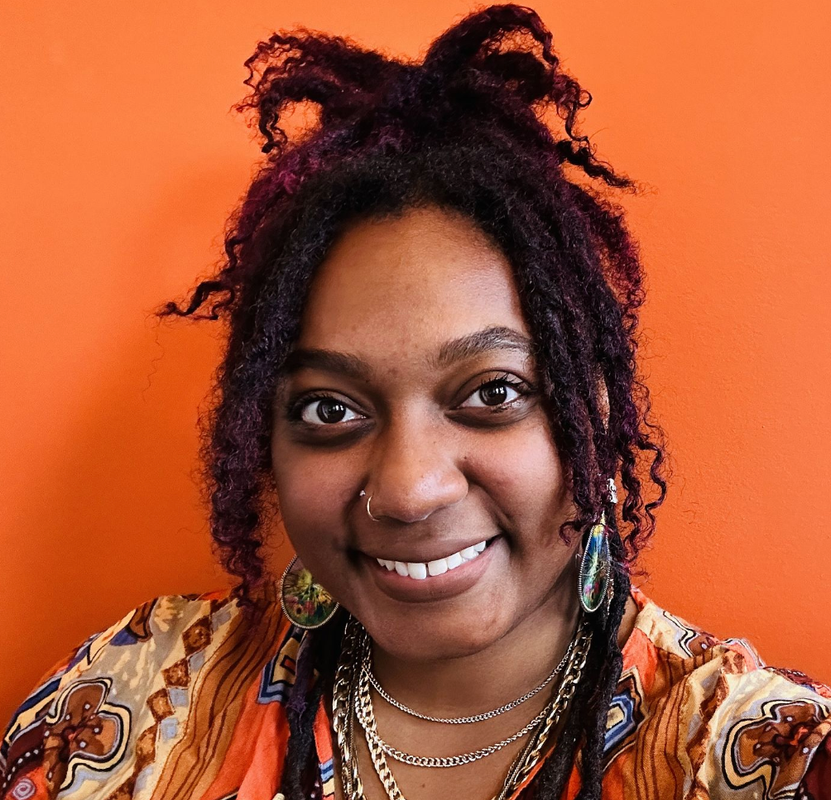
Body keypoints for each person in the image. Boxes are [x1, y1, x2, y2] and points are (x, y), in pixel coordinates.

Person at [1, 5, 829, 800]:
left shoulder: (751, 754)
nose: (406, 490)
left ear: (596, 413)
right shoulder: (134, 700)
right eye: (330, 410)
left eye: (492, 393)